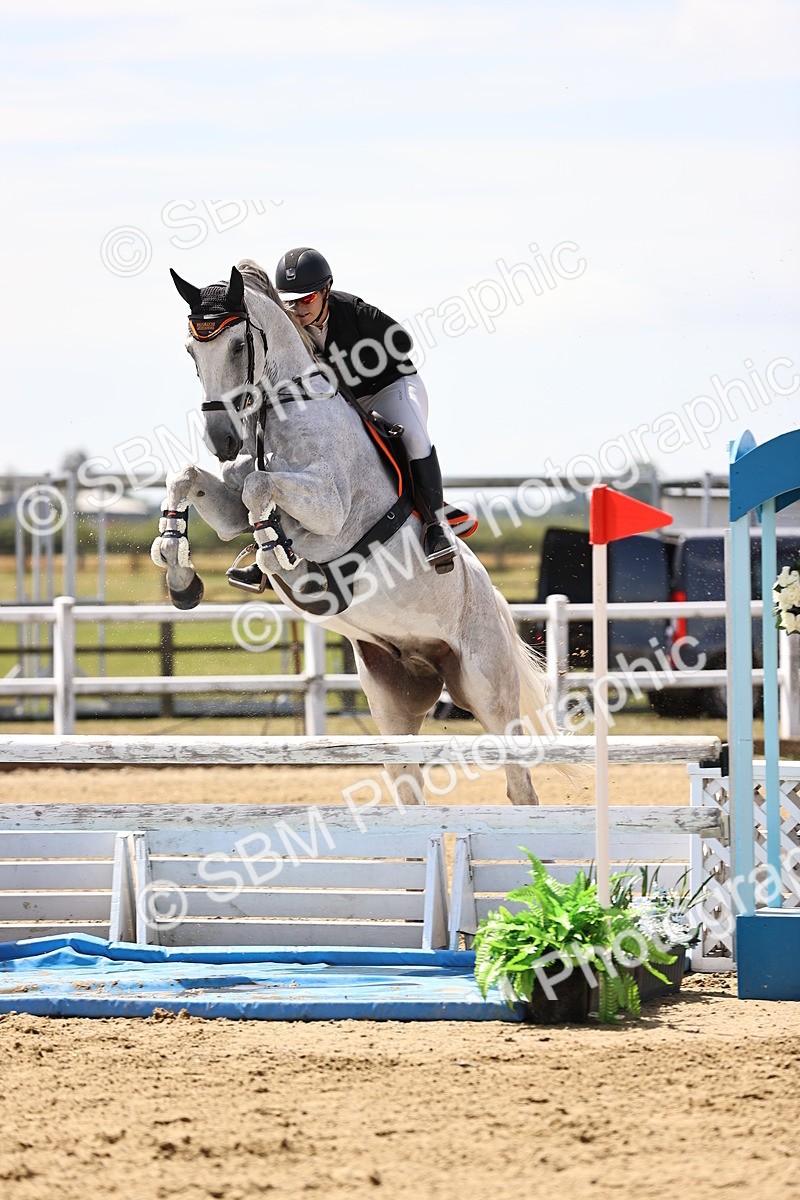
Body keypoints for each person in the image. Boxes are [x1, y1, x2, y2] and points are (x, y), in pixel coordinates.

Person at [274, 246, 469, 574]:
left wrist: (344, 363)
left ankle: (436, 527)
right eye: (289, 302)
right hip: (345, 404)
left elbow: (402, 341)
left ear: (325, 291)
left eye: (306, 299)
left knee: (416, 440)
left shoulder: (352, 311)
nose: (297, 309)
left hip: (391, 389)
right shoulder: (288, 330)